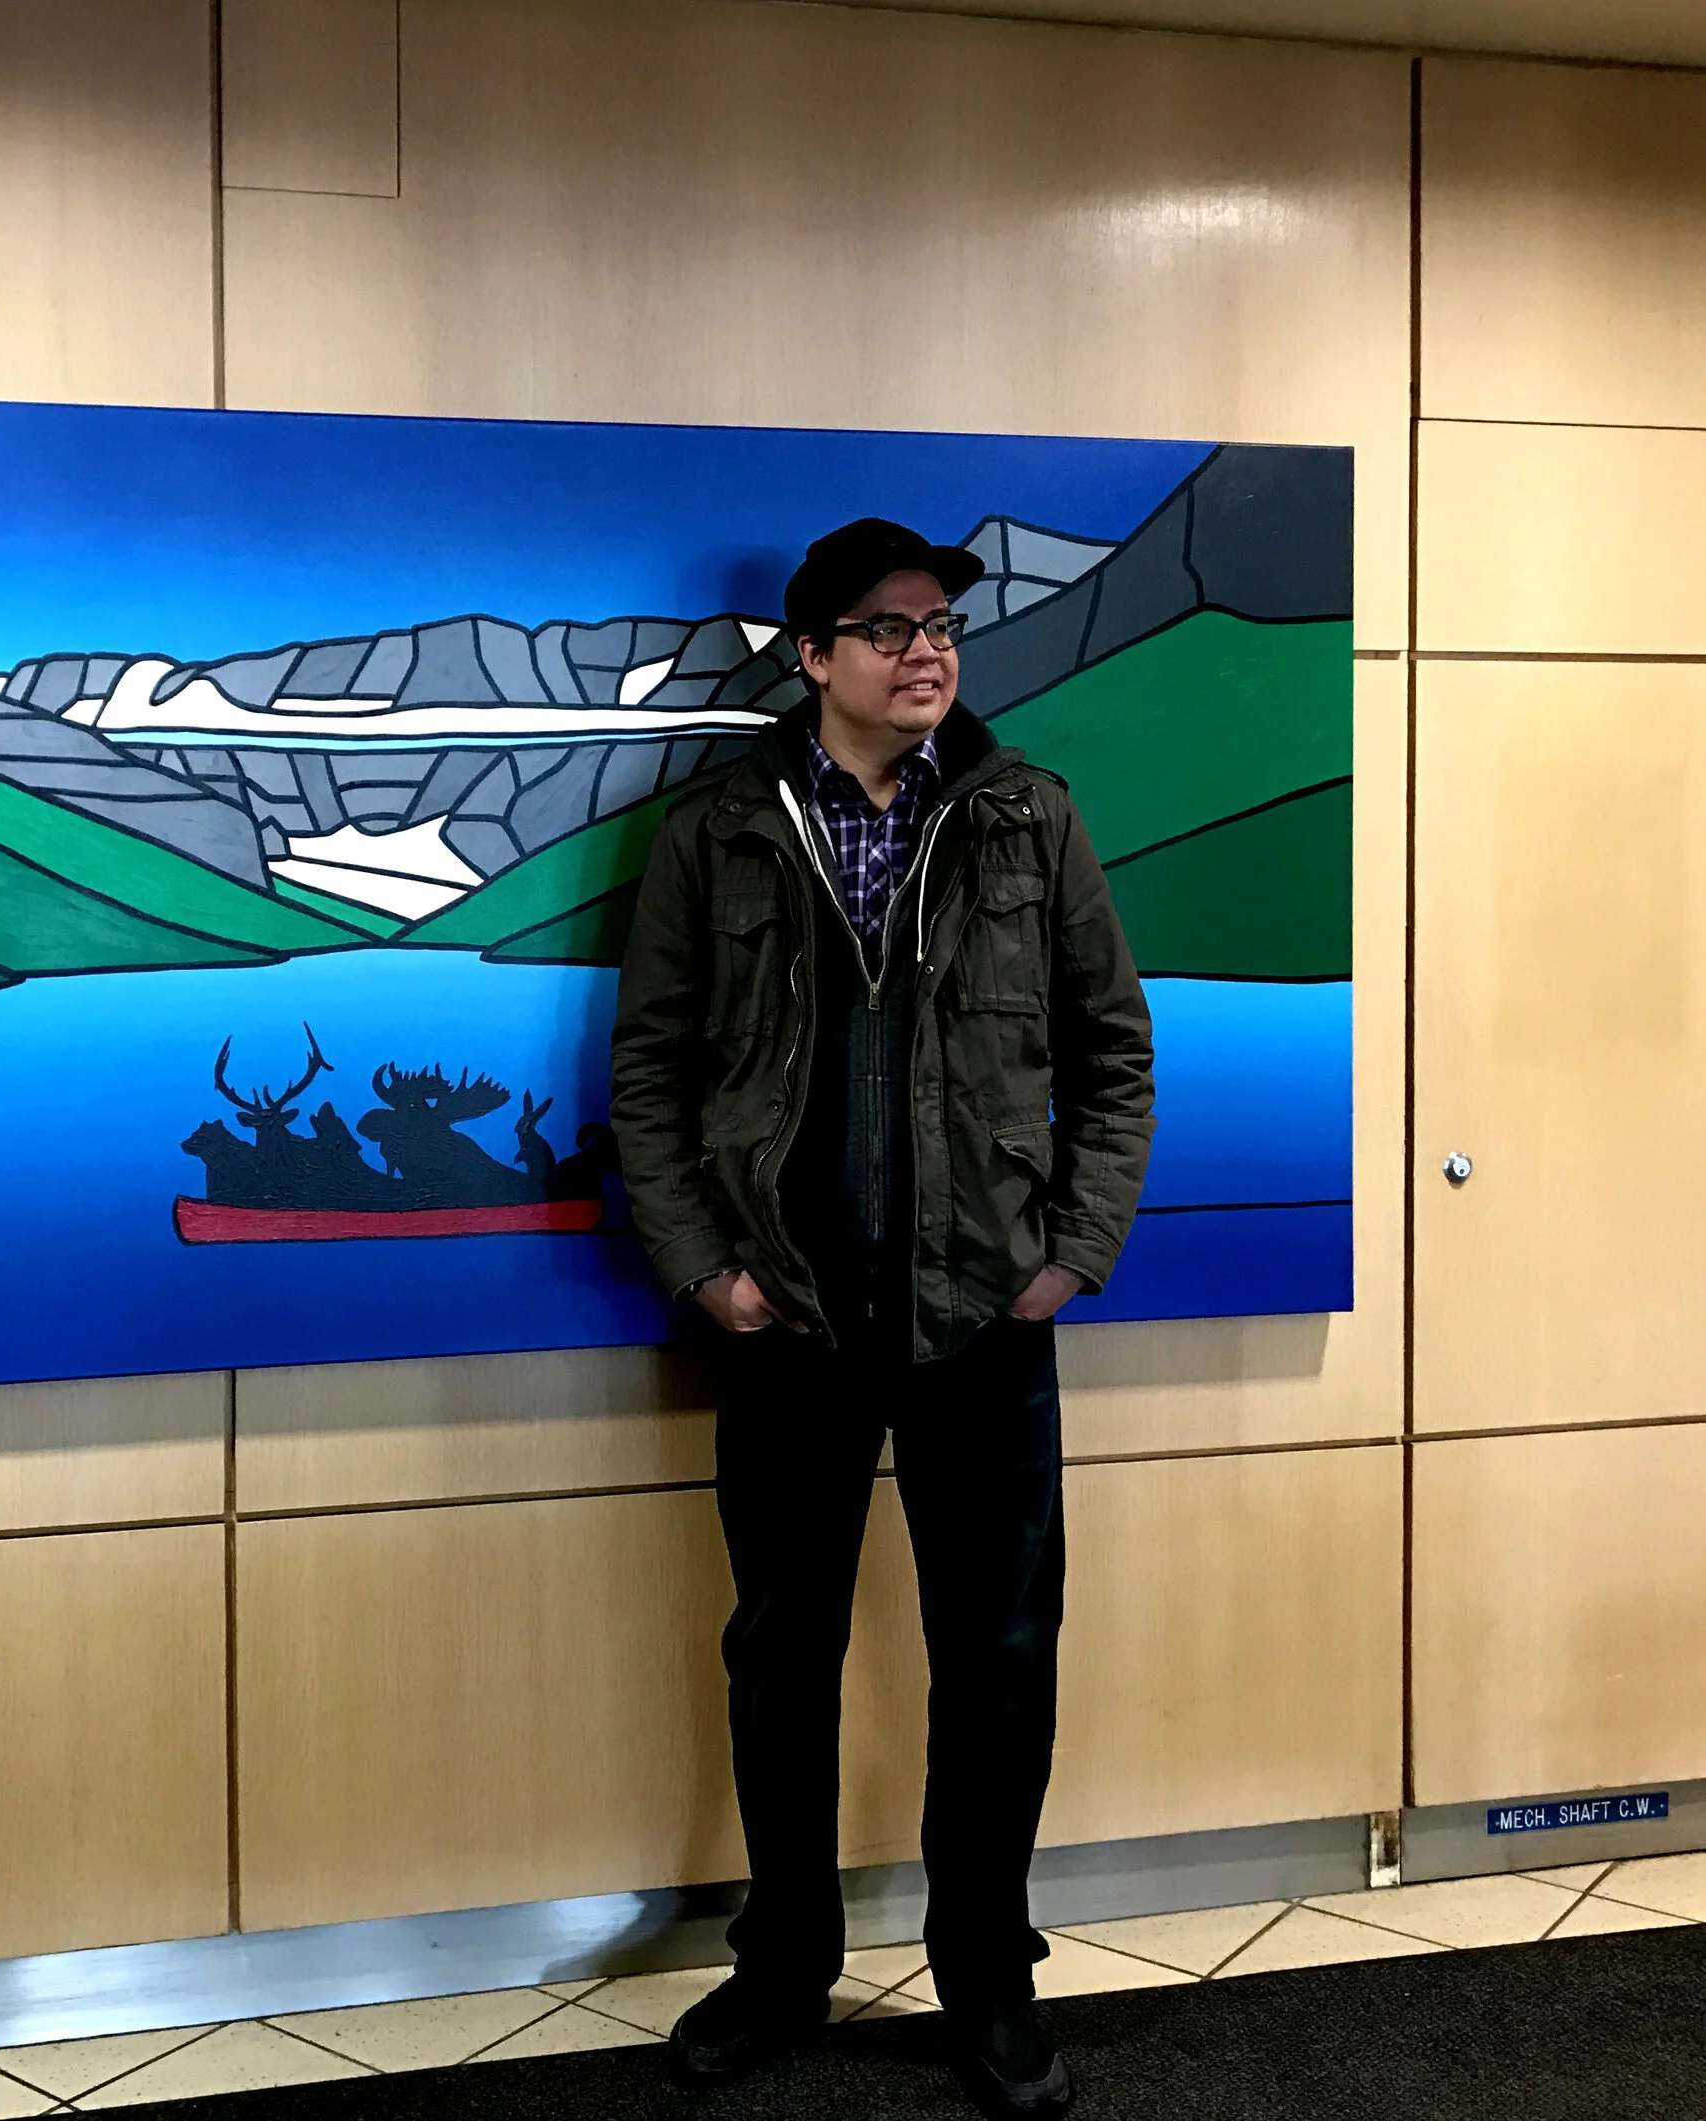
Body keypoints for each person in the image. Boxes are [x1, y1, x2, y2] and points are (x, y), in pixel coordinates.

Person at [609, 517, 1155, 2119]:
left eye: (944, 630)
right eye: (892, 628)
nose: (929, 654)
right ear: (814, 656)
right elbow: (651, 1070)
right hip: (787, 1321)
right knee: (782, 1654)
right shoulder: (721, 831)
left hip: (984, 1317)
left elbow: (1112, 1053)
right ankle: (785, 1962)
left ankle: (988, 1975)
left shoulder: (1026, 817)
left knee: (1000, 1657)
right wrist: (706, 1268)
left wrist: (1071, 1252)